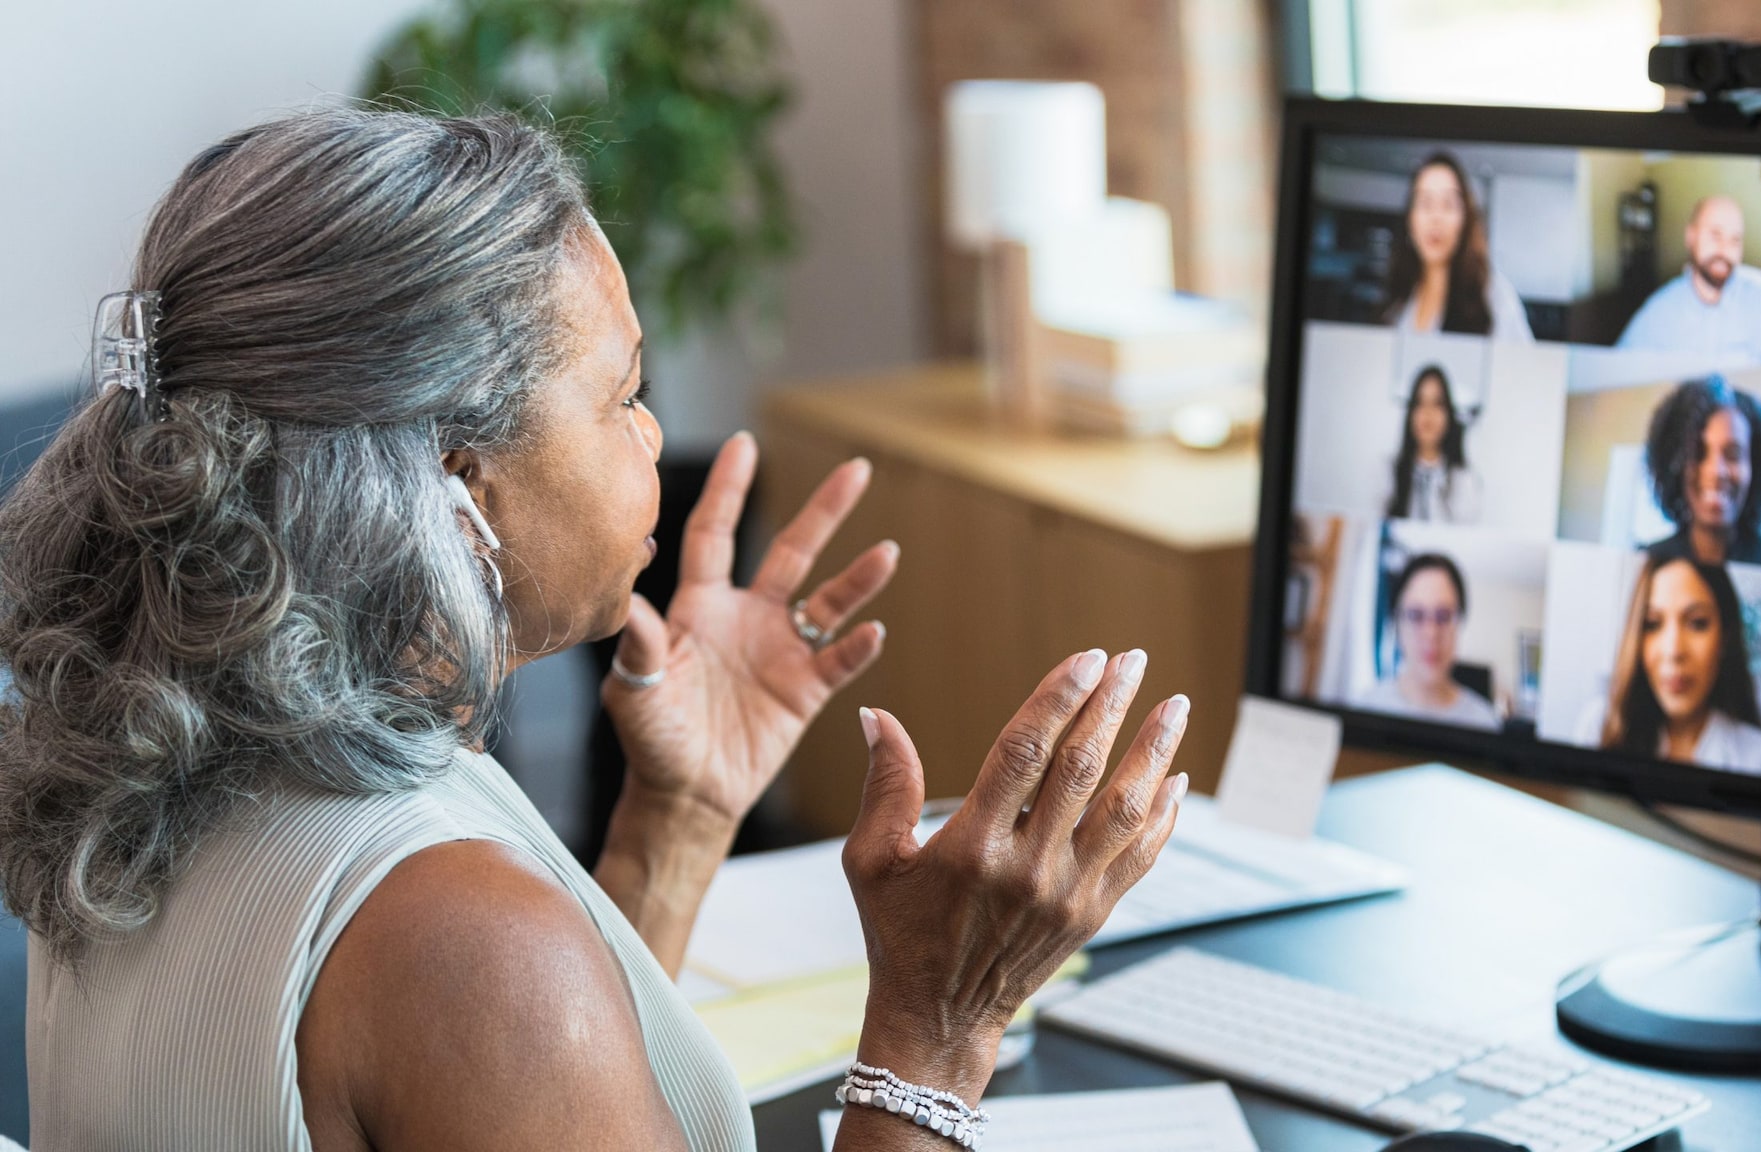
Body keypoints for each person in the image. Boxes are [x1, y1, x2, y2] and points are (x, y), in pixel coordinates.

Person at [0, 108, 1191, 1151]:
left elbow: (497, 1092)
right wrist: (937, 1032)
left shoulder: (160, 783)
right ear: (457, 478)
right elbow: (489, 1010)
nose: (649, 430)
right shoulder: (454, 937)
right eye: (620, 395)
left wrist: (675, 824)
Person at [1579, 555, 1761, 777]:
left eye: (1697, 623)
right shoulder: (1598, 728)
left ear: (1725, 637)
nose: (1674, 651)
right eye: (1653, 624)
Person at [1640, 375, 1761, 572]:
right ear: (1674, 463)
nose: (1716, 471)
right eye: (1698, 453)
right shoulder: (1648, 563)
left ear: (1756, 467)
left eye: (1733, 455)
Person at [1615, 195, 1761, 368]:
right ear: (1691, 237)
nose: (1725, 250)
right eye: (1715, 235)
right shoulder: (1660, 311)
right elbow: (1618, 374)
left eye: (1735, 240)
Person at [1378, 151, 1533, 341]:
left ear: (1465, 220)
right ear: (1410, 220)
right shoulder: (1399, 297)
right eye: (1425, 203)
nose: (1436, 217)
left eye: (1448, 204)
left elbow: (1521, 366)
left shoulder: (1493, 295)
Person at [1360, 553, 1500, 730]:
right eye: (1416, 615)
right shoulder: (1368, 706)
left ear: (1460, 622)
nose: (1431, 633)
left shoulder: (1485, 722)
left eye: (1443, 616)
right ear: (1397, 622)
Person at [1385, 364, 1482, 523]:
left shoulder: (1465, 480)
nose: (1427, 413)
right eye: (1420, 403)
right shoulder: (1388, 472)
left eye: (1437, 404)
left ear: (1448, 414)